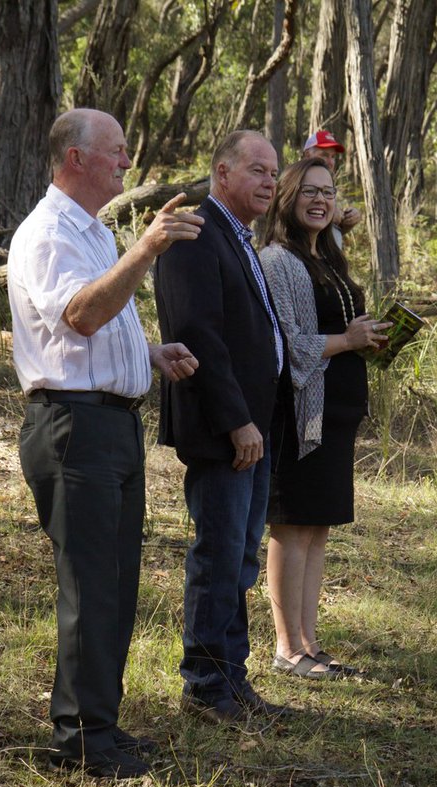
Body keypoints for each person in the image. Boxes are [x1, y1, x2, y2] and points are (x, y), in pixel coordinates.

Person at [8, 108, 202, 779]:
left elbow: (90, 324)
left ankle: (103, 726)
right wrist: (146, 251)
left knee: (115, 583)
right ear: (75, 159)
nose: (126, 163)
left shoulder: (91, 231)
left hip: (111, 423)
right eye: (116, 152)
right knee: (90, 584)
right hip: (73, 427)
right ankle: (80, 740)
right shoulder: (47, 233)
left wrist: (146, 352)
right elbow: (83, 314)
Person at [154, 130, 291, 724]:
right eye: (256, 170)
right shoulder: (194, 235)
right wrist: (237, 421)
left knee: (240, 556)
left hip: (255, 426)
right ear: (222, 173)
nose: (268, 181)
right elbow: (199, 334)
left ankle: (233, 679)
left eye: (273, 173)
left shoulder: (239, 238)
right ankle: (206, 684)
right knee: (218, 554)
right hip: (222, 429)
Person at [258, 157, 389, 680]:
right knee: (291, 527)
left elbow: (338, 329)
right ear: (286, 197)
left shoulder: (326, 258)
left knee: (317, 528)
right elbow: (286, 346)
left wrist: (372, 338)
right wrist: (347, 340)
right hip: (298, 414)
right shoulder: (278, 259)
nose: (320, 200)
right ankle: (287, 648)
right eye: (309, 191)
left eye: (328, 192)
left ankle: (309, 641)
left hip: (335, 416)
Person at [302, 130, 361, 245]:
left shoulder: (329, 185)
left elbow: (324, 233)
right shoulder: (295, 181)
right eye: (324, 155)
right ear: (307, 155)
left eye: (333, 156)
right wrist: (327, 214)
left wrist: (348, 221)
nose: (330, 162)